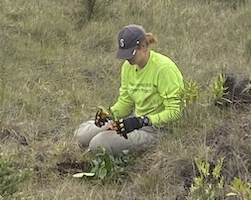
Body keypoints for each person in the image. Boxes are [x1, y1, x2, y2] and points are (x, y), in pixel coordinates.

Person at [75, 24, 184, 156]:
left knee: (98, 143)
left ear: (143, 46)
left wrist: (143, 121)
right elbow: (125, 103)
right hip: (134, 120)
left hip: (157, 129)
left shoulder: (164, 69)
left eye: (130, 53)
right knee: (81, 135)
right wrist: (109, 114)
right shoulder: (128, 67)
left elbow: (175, 112)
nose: (127, 58)